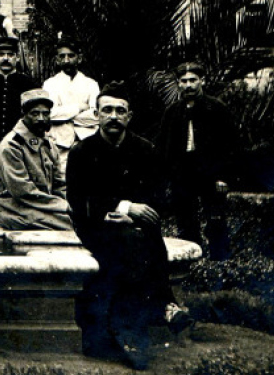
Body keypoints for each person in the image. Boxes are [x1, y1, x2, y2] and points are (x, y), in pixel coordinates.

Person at [68, 84, 194, 370]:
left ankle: (131, 331)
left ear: (130, 116)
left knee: (139, 239)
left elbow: (158, 195)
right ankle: (163, 309)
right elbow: (78, 199)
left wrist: (135, 216)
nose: (113, 116)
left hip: (135, 228)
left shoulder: (145, 150)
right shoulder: (82, 152)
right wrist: (123, 207)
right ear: (96, 114)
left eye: (120, 110)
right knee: (131, 243)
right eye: (107, 110)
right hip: (95, 226)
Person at [156, 62, 239, 261]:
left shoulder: (217, 108)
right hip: (183, 174)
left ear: (202, 81)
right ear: (178, 84)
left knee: (216, 220)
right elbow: (163, 146)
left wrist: (223, 177)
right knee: (185, 220)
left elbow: (231, 146)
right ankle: (191, 263)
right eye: (183, 81)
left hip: (211, 173)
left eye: (193, 80)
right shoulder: (172, 112)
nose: (189, 85)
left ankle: (220, 263)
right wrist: (167, 177)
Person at [0, 88, 73, 230]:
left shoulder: (49, 145)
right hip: (16, 210)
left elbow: (59, 184)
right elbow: (24, 192)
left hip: (43, 206)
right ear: (24, 115)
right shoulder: (11, 147)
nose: (41, 118)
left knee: (84, 219)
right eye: (35, 113)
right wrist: (64, 207)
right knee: (73, 225)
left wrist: (74, 204)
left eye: (45, 114)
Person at [42, 40, 101, 170]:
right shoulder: (50, 84)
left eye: (71, 56)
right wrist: (79, 108)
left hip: (86, 143)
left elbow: (96, 116)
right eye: (62, 56)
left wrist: (63, 114)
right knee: (62, 184)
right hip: (59, 145)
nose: (66, 60)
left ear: (79, 58)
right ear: (57, 60)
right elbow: (49, 114)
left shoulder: (91, 84)